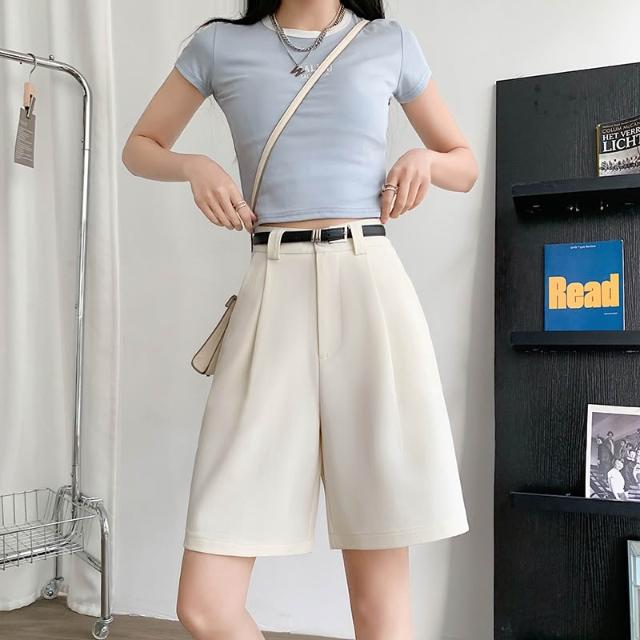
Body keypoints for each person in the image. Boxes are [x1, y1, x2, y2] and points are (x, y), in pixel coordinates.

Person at [122, 1, 478, 638]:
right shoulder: (218, 46)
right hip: (272, 289)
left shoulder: (388, 42)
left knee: (380, 609)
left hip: (370, 291)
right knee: (205, 604)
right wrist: (194, 166)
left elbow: (464, 163)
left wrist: (425, 161)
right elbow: (139, 147)